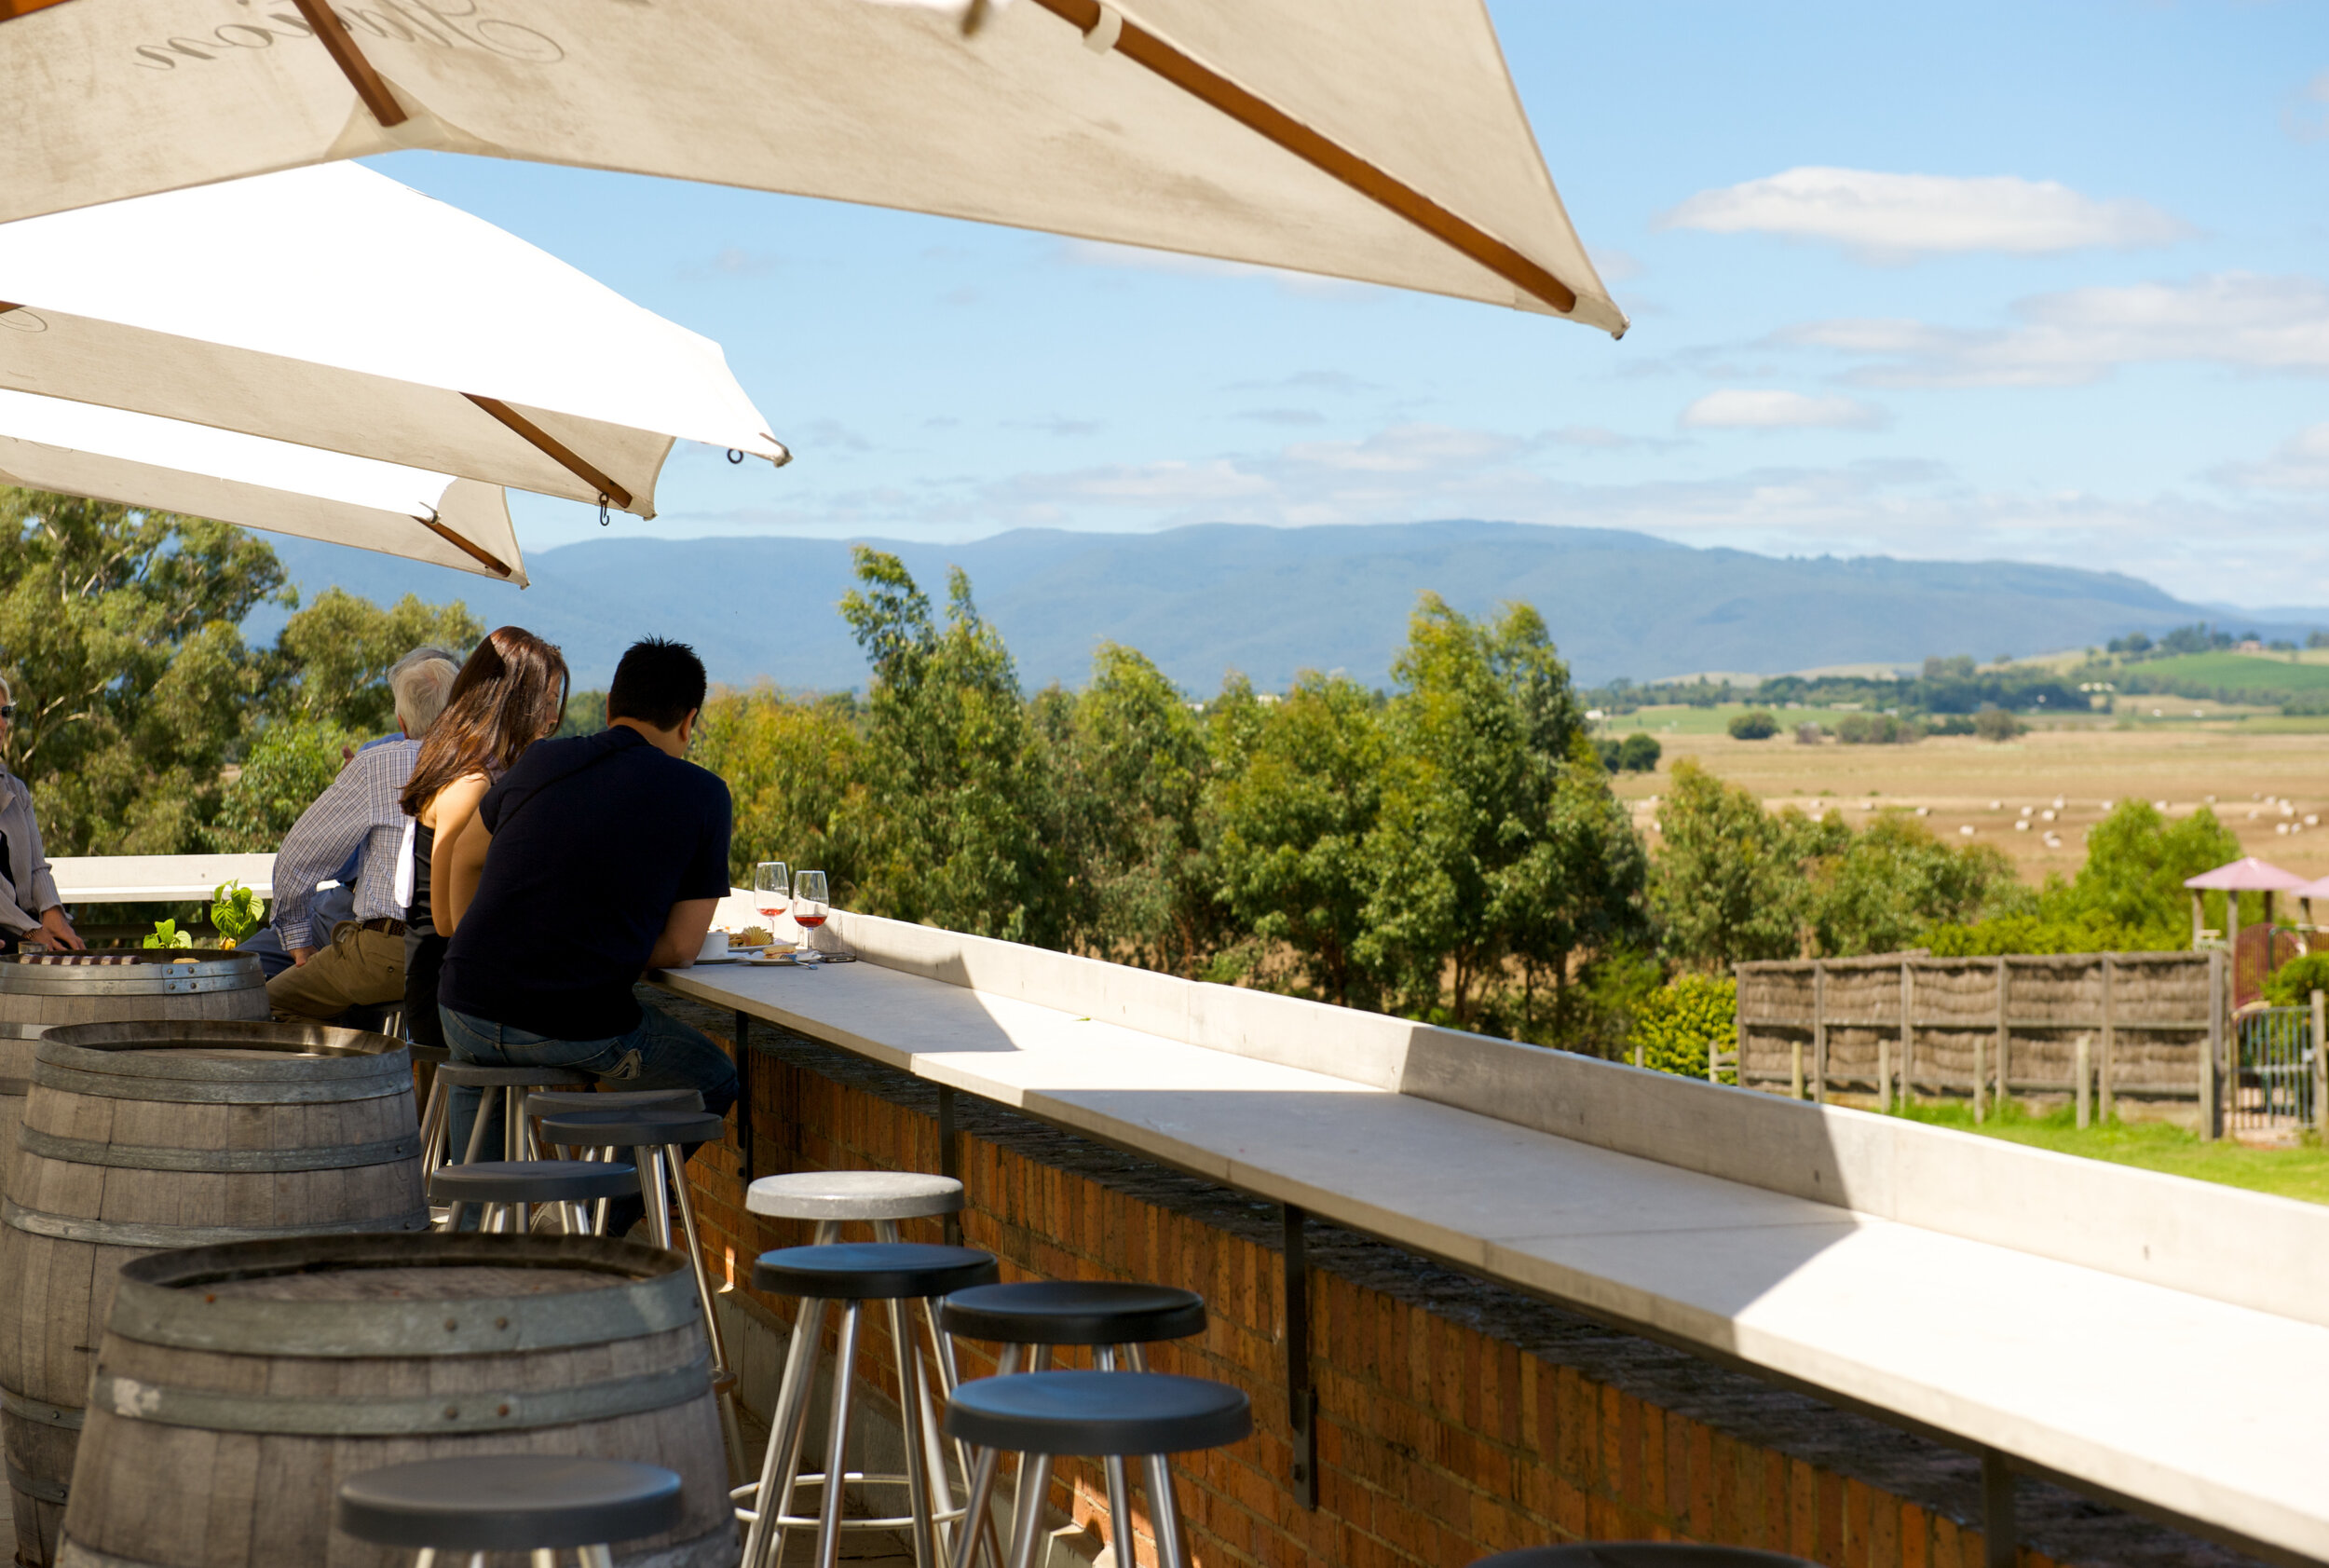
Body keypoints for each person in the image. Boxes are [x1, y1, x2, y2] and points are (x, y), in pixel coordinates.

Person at [434, 637, 737, 1206]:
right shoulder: (703, 794)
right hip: (572, 1026)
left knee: (483, 1176)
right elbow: (679, 948)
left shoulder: (540, 762)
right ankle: (591, 1215)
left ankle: (477, 1251)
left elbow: (469, 853)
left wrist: (494, 927)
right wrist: (598, 941)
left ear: (609, 708)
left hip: (463, 1007)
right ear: (689, 720)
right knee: (711, 1075)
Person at [400, 627, 570, 1057]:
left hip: (465, 985)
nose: (552, 717)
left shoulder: (479, 765)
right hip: (450, 996)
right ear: (513, 700)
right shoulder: (472, 782)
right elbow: (446, 920)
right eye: (547, 701)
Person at [265, 648, 461, 1021]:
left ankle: (351, 1078)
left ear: (402, 724)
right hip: (466, 957)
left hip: (390, 952)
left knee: (265, 1004)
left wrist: (299, 942)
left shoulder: (378, 764)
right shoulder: (490, 763)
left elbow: (298, 856)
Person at [0, 675, 84, 954]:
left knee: (70, 949)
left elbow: (37, 866)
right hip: (13, 931)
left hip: (26, 926)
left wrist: (54, 914)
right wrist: (32, 930)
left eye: (4, 713)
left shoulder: (16, 790)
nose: (1, 724)